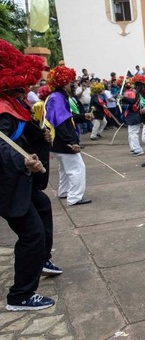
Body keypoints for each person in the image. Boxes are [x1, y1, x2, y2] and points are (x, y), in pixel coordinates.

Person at [0, 39, 62, 311]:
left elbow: (22, 133)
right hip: (7, 183)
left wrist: (42, 136)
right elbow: (3, 146)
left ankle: (42, 259)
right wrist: (24, 162)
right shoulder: (3, 109)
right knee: (32, 234)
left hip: (19, 182)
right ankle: (20, 296)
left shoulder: (13, 102)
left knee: (43, 205)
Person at [45, 66, 92, 206]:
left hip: (59, 143)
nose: (74, 84)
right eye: (71, 82)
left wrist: (83, 116)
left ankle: (64, 192)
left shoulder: (59, 97)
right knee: (77, 168)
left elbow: (67, 118)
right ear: (64, 83)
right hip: (62, 142)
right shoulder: (57, 98)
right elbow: (60, 123)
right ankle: (74, 197)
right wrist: (71, 142)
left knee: (65, 169)